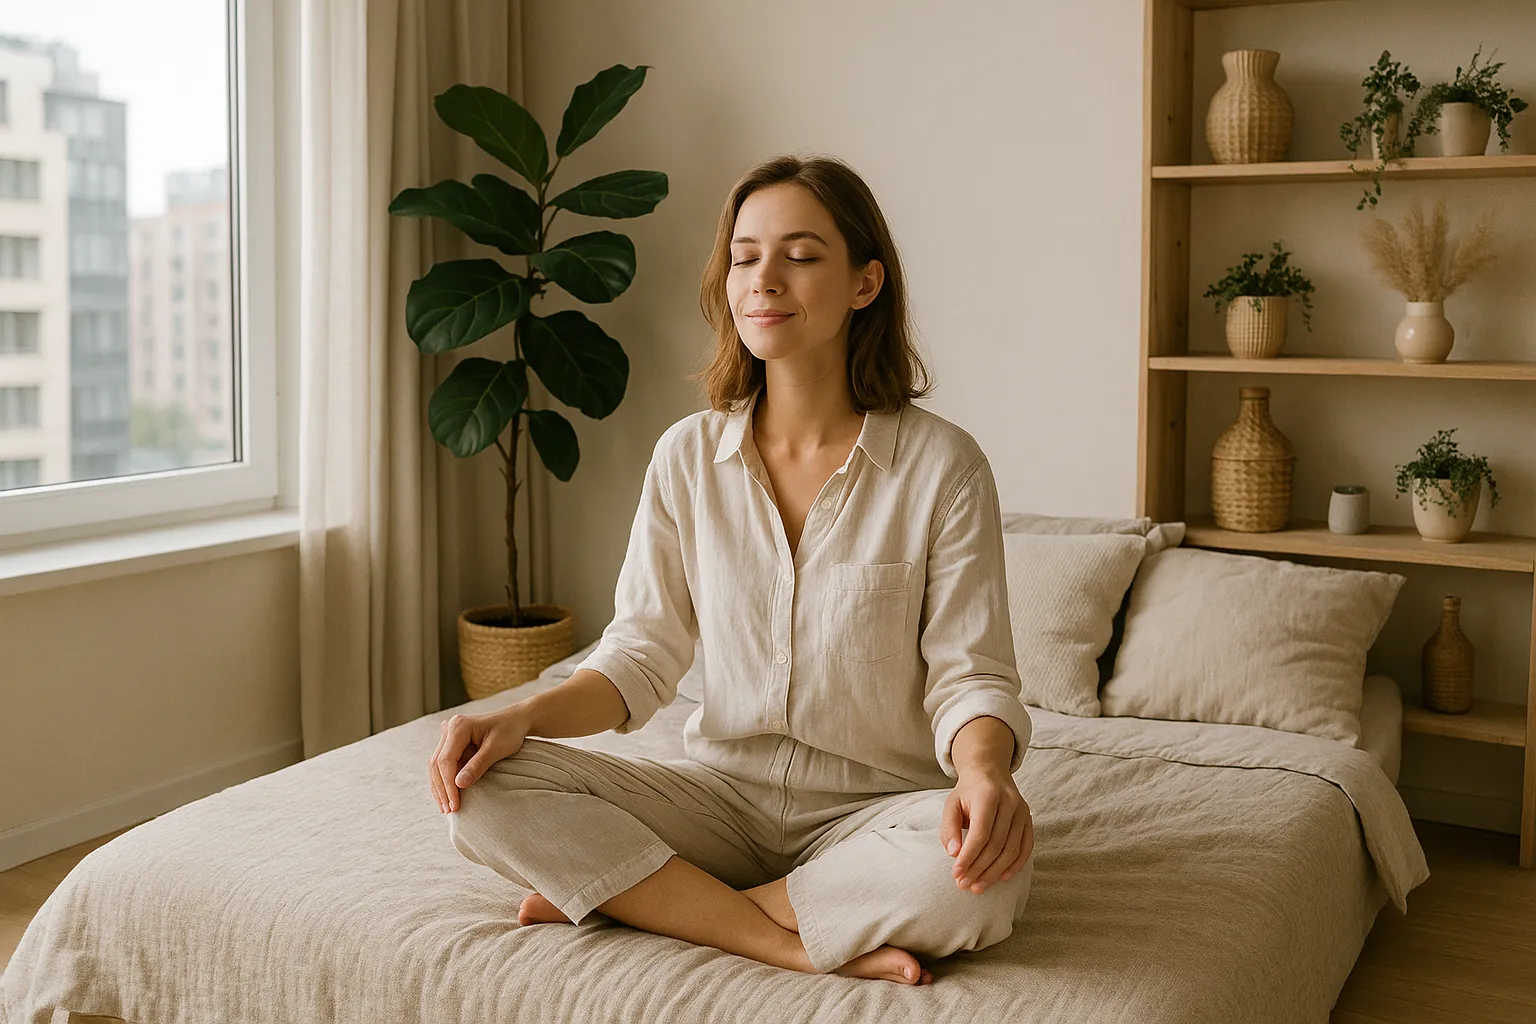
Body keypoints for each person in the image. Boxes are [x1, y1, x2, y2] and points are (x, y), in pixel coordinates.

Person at [427, 154, 1035, 986]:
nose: (765, 280)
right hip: (717, 800)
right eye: (746, 257)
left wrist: (983, 774)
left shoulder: (943, 468)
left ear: (865, 283)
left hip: (875, 812)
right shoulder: (686, 456)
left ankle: (659, 899)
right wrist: (522, 714)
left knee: (978, 884)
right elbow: (639, 657)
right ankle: (775, 933)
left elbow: (970, 676)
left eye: (802, 255)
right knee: (486, 791)